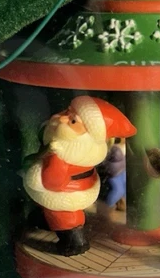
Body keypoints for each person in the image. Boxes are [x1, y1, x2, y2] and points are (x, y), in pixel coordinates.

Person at [23, 96, 136, 255]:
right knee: (49, 209)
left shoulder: (64, 153)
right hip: (74, 188)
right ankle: (46, 220)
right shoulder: (65, 143)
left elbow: (52, 181)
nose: (62, 118)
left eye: (72, 121)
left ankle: (75, 242)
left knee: (64, 217)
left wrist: (42, 171)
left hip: (65, 193)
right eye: (66, 112)